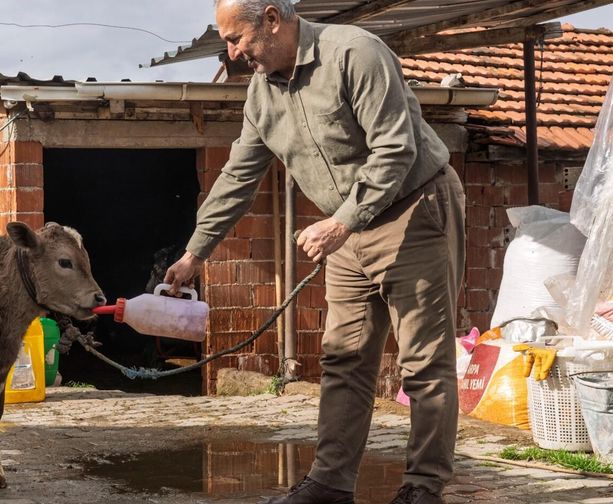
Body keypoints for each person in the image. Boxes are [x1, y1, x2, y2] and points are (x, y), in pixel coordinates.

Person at [164, 1, 465, 503]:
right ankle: (329, 484)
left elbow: (396, 149)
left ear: (272, 19)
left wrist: (342, 223)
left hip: (413, 208)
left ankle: (423, 487)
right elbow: (238, 176)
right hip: (346, 229)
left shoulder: (355, 54)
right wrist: (195, 253)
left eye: (237, 39)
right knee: (344, 358)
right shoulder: (261, 92)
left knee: (423, 360)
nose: (233, 54)